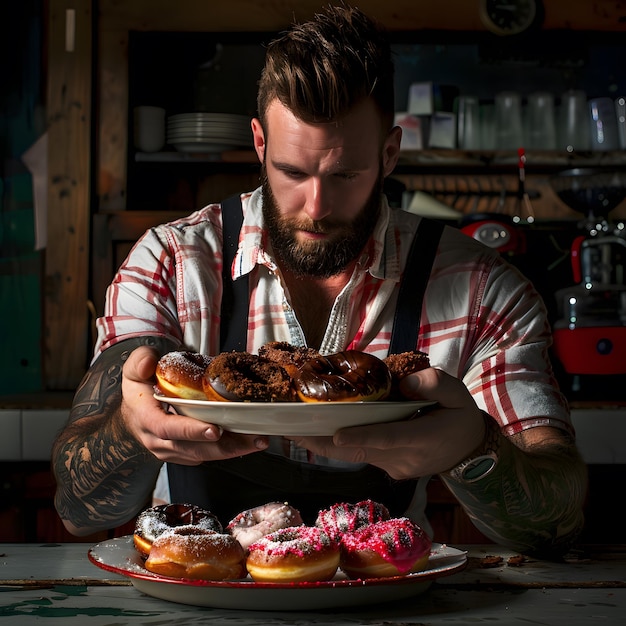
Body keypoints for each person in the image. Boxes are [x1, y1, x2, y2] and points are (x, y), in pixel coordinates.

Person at [52, 4, 587, 559]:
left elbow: (559, 521)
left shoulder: (482, 290)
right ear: (260, 145)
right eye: (292, 172)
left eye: (345, 175)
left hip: (386, 602)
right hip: (200, 599)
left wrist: (475, 449)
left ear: (389, 154)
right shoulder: (170, 264)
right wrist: (131, 432)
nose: (317, 207)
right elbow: (78, 508)